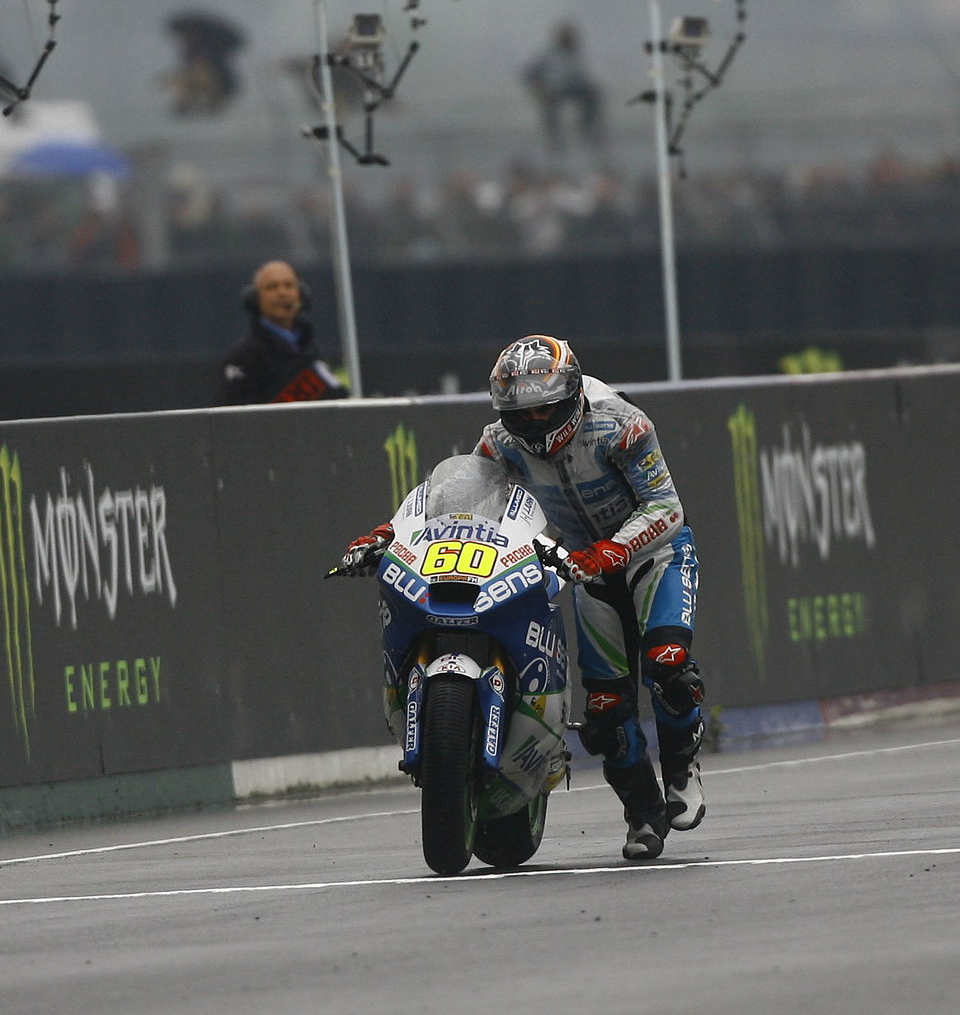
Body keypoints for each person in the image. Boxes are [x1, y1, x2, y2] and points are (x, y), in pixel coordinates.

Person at [340, 336, 705, 862]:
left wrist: (608, 552)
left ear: (573, 393)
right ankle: (642, 813)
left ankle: (681, 766)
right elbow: (461, 502)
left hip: (654, 554)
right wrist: (385, 534)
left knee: (667, 662)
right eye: (520, 412)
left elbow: (666, 507)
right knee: (604, 710)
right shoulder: (497, 442)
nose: (533, 421)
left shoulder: (623, 425)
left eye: (544, 408)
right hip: (581, 565)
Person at [217, 260, 349, 405]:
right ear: (255, 299)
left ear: (301, 295)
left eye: (289, 285)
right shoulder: (243, 356)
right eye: (271, 287)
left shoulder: (307, 346)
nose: (282, 293)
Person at [521, 21, 604, 158]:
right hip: (555, 89)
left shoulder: (578, 52)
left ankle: (586, 126)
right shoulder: (546, 53)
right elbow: (529, 72)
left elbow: (585, 73)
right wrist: (537, 88)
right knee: (548, 105)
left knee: (594, 96)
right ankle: (555, 137)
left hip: (577, 87)